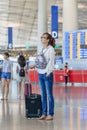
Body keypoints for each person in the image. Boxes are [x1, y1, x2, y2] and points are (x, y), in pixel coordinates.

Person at [30, 32, 55, 120]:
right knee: (43, 95)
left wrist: (47, 72)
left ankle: (50, 114)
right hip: (40, 73)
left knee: (49, 95)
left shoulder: (51, 49)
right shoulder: (41, 49)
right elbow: (40, 62)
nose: (42, 39)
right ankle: (44, 113)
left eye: (44, 37)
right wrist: (34, 65)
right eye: (41, 37)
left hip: (47, 74)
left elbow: (51, 62)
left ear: (48, 40)